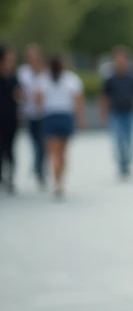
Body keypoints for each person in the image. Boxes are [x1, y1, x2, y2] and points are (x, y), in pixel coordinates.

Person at [35, 55, 85, 199]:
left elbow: (38, 100)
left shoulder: (43, 79)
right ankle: (60, 181)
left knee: (53, 153)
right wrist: (80, 118)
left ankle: (56, 181)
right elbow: (78, 100)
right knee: (63, 153)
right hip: (65, 116)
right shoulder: (71, 79)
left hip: (50, 116)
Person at [99, 46, 133, 178]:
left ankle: (127, 163)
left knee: (128, 140)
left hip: (129, 111)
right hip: (115, 112)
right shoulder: (110, 78)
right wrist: (103, 112)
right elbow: (104, 96)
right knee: (118, 139)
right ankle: (120, 164)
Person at [16, 43, 47, 189]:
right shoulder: (23, 72)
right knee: (34, 142)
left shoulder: (44, 72)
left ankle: (39, 169)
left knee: (43, 143)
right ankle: (37, 166)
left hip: (44, 113)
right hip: (29, 112)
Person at [0, 45, 18, 194]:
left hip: (11, 118)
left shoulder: (13, 76)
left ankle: (10, 177)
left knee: (10, 148)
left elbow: (19, 94)